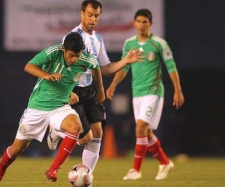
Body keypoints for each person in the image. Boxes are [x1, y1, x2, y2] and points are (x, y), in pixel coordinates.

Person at [0, 32, 141, 187]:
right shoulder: (53, 52)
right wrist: (46, 75)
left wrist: (100, 90)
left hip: (60, 107)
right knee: (16, 149)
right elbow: (29, 66)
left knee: (76, 127)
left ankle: (54, 168)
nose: (74, 60)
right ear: (64, 49)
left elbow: (96, 69)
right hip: (37, 108)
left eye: (77, 55)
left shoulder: (85, 59)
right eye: (71, 55)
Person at [47, 1, 144, 185]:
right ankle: (57, 131)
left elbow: (105, 69)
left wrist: (125, 61)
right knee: (84, 140)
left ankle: (86, 180)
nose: (93, 19)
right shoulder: (72, 38)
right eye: (90, 14)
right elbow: (60, 65)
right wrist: (65, 92)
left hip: (89, 89)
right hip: (73, 89)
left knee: (98, 132)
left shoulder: (98, 38)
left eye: (96, 16)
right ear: (82, 13)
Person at [106, 9, 185, 181]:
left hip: (154, 92)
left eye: (145, 22)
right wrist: (113, 84)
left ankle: (136, 170)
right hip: (137, 94)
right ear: (134, 23)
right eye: (139, 21)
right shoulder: (129, 44)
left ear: (151, 24)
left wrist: (177, 90)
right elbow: (125, 67)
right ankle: (165, 163)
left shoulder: (159, 43)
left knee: (140, 128)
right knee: (146, 134)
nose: (142, 25)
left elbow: (171, 67)